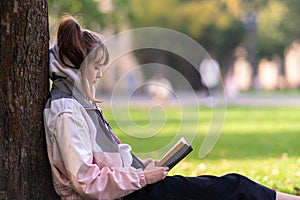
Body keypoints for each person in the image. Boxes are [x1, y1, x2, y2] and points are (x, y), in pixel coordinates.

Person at [44, 16, 300, 200]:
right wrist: (143, 178)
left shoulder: (78, 104)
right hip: (126, 195)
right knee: (229, 188)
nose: (100, 74)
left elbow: (105, 162)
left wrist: (142, 167)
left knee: (226, 186)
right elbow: (86, 181)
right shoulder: (67, 112)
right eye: (96, 67)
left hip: (130, 189)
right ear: (76, 66)